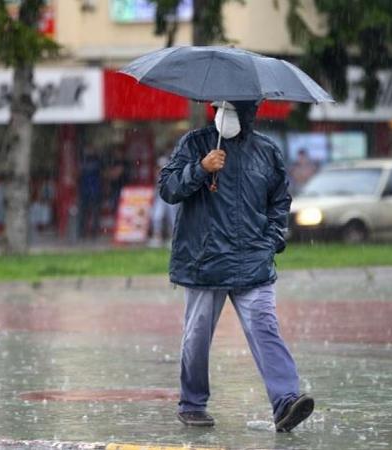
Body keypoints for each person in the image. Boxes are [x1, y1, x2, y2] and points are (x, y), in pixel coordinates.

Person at [159, 100, 314, 432]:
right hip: (204, 262)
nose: (224, 115)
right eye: (220, 108)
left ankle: (285, 401)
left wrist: (272, 239)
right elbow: (168, 188)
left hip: (252, 261)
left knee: (265, 326)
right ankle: (192, 403)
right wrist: (201, 168)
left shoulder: (266, 152)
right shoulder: (194, 143)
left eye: (233, 109)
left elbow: (279, 201)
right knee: (196, 336)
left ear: (249, 113)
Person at [149, 156, 178, 248]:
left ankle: (173, 239)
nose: (161, 168)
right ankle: (157, 237)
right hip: (160, 197)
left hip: (170, 198)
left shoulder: (172, 174)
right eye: (159, 166)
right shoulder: (157, 175)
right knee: (157, 216)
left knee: (172, 218)